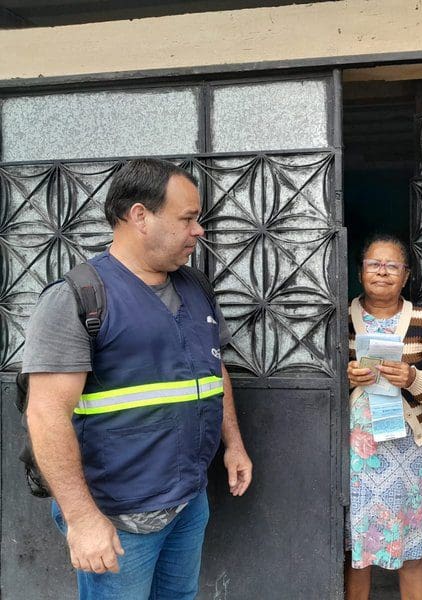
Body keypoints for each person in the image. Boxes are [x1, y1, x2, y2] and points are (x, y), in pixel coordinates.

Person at [23, 158, 253, 600]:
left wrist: (234, 444)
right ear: (140, 216)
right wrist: (82, 518)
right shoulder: (78, 297)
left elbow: (211, 369)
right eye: (187, 218)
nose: (198, 230)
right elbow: (46, 414)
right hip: (117, 517)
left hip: (188, 500)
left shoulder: (195, 287)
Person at [345, 234, 422, 600]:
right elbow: (315, 384)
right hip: (358, 457)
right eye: (373, 264)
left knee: (413, 547)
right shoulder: (340, 319)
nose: (382, 272)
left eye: (392, 265)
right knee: (357, 550)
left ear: (406, 275)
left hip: (411, 454)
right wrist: (345, 379)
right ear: (360, 272)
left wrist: (413, 378)